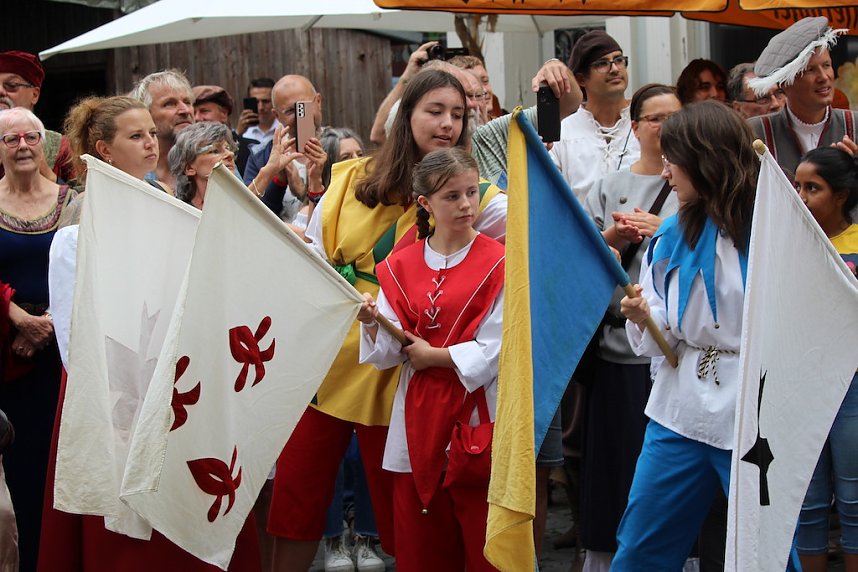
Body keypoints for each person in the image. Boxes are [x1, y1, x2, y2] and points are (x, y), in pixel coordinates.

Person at [267, 68, 507, 572]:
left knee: (402, 518)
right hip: (326, 360)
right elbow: (315, 253)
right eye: (435, 111)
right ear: (407, 116)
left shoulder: (476, 197)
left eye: (458, 114)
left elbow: (535, 229)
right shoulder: (348, 177)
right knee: (296, 497)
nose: (448, 123)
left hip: (401, 370)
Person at [39, 99, 260, 572]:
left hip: (172, 382)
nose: (150, 144)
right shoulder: (75, 237)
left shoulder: (174, 216)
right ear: (104, 149)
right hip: (111, 394)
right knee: (119, 527)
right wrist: (119, 405)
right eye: (135, 136)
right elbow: (74, 339)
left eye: (151, 134)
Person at [612, 100, 801, 571]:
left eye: (673, 161)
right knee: (641, 546)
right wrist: (642, 316)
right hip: (679, 411)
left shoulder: (778, 230)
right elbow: (663, 327)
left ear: (705, 161)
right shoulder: (669, 235)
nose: (666, 173)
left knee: (765, 551)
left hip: (755, 413)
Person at [357, 147, 504, 571]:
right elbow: (388, 352)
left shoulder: (500, 261)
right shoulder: (399, 265)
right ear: (425, 203)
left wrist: (435, 356)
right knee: (424, 542)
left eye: (471, 192)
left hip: (476, 412)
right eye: (452, 196)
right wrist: (372, 323)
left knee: (482, 539)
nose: (466, 205)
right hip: (415, 414)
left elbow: (498, 346)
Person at [579, 83, 681, 571]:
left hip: (675, 352)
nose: (665, 127)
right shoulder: (609, 185)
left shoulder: (696, 184)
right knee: (618, 465)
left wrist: (665, 229)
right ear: (635, 127)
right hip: (619, 350)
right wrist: (615, 236)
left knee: (669, 475)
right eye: (655, 118)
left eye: (675, 116)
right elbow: (583, 260)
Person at [0, 107, 73, 572]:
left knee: (58, 467)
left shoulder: (73, 201)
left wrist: (47, 322)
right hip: (7, 358)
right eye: (11, 139)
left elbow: (88, 265)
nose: (23, 146)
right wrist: (18, 319)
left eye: (31, 137)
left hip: (62, 356)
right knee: (18, 471)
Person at [792, 147, 858, 572]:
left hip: (852, 385)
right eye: (796, 186)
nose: (800, 196)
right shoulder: (786, 243)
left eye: (812, 188)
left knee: (854, 501)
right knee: (806, 502)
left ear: (841, 195)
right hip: (800, 384)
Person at [748, 16, 858, 180]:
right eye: (810, 70)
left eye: (826, 65)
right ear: (785, 83)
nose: (824, 77)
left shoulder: (854, 125)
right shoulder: (756, 132)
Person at [549, 30, 640, 202]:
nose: (615, 69)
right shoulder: (563, 134)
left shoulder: (645, 121)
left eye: (619, 60)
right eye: (602, 63)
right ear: (581, 79)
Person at [242, 74, 326, 223]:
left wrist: (306, 188)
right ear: (277, 115)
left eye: (303, 107)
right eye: (290, 111)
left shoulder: (341, 147)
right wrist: (278, 180)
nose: (300, 116)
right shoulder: (261, 155)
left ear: (318, 102)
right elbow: (251, 217)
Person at [0, 51, 74, 184]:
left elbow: (85, 193)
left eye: (11, 85)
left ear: (34, 95)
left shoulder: (61, 147)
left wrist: (48, 175)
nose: (0, 91)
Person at [130, 69, 196, 189]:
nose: (185, 110)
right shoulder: (129, 171)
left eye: (187, 102)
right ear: (146, 113)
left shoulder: (212, 162)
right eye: (170, 104)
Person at [192, 84, 259, 176]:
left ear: (224, 114)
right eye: (194, 112)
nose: (197, 118)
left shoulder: (251, 150)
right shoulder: (187, 152)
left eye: (204, 111)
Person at [168, 121, 237, 209]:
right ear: (189, 168)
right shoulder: (177, 212)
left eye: (228, 148)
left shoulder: (241, 205)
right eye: (215, 151)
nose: (230, 154)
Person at [239, 77, 280, 150]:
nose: (261, 107)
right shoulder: (243, 132)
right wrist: (238, 134)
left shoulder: (284, 128)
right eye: (256, 102)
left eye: (265, 101)